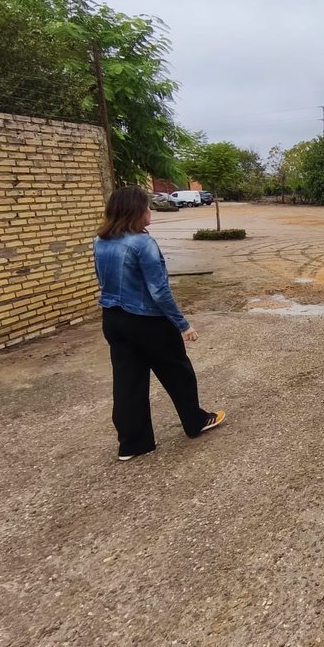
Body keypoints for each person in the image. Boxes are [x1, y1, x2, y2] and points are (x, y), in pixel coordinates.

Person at [92, 185, 225, 461]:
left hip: (113, 319)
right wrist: (183, 324)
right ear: (135, 211)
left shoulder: (100, 241)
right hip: (147, 321)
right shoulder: (142, 243)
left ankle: (133, 444)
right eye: (146, 206)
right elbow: (159, 290)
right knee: (178, 372)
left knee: (128, 381)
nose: (149, 211)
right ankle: (195, 421)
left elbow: (102, 281)